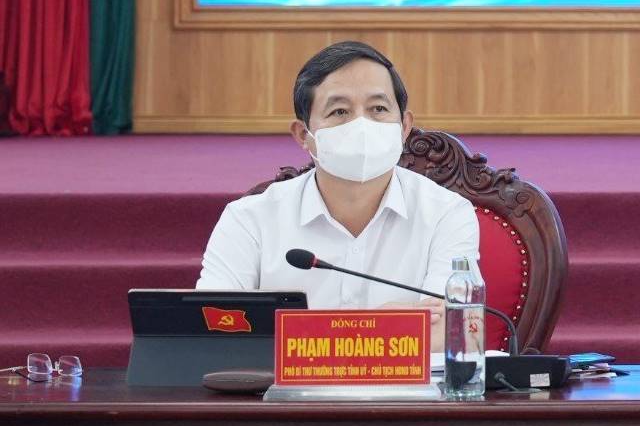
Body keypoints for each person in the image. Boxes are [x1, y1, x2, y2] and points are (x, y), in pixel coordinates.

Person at [197, 41, 480, 323]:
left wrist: (304, 335)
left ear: (404, 127)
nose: (361, 125)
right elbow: (213, 325)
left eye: (378, 108)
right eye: (340, 112)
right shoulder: (249, 220)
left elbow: (450, 330)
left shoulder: (446, 214)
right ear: (304, 135)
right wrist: (383, 324)